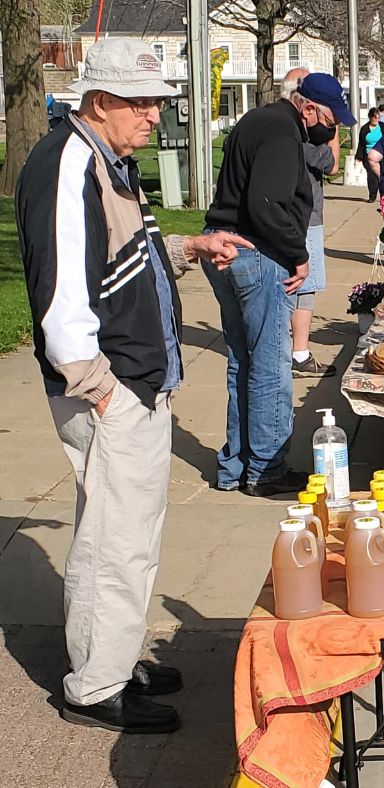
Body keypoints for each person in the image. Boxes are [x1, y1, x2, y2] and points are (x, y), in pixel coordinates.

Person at [15, 38, 250, 734]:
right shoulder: (69, 162)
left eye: (156, 101)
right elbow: (61, 294)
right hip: (111, 385)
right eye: (141, 102)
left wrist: (187, 248)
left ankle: (112, 657)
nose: (154, 114)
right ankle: (95, 685)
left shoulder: (106, 159)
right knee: (113, 540)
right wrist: (101, 388)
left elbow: (121, 258)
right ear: (99, 101)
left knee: (131, 533)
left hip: (135, 382)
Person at [204, 65, 353, 496]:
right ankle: (266, 469)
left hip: (225, 246)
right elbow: (266, 204)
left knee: (243, 361)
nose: (331, 131)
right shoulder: (283, 134)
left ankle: (236, 466)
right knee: (270, 364)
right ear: (307, 109)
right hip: (255, 253)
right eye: (329, 121)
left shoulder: (257, 119)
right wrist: (298, 255)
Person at [290, 73, 354, 379]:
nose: (332, 125)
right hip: (306, 221)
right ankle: (299, 353)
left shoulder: (294, 135)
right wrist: (332, 133)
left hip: (302, 218)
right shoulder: (303, 142)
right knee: (304, 289)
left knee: (301, 288)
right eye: (331, 119)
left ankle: (293, 352)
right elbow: (333, 165)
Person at [358, 107, 384, 202]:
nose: (376, 120)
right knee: (372, 177)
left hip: (381, 155)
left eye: (378, 117)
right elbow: (361, 144)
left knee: (383, 176)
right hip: (369, 156)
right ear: (370, 117)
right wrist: (359, 156)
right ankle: (372, 196)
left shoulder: (383, 127)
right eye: (374, 118)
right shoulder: (364, 129)